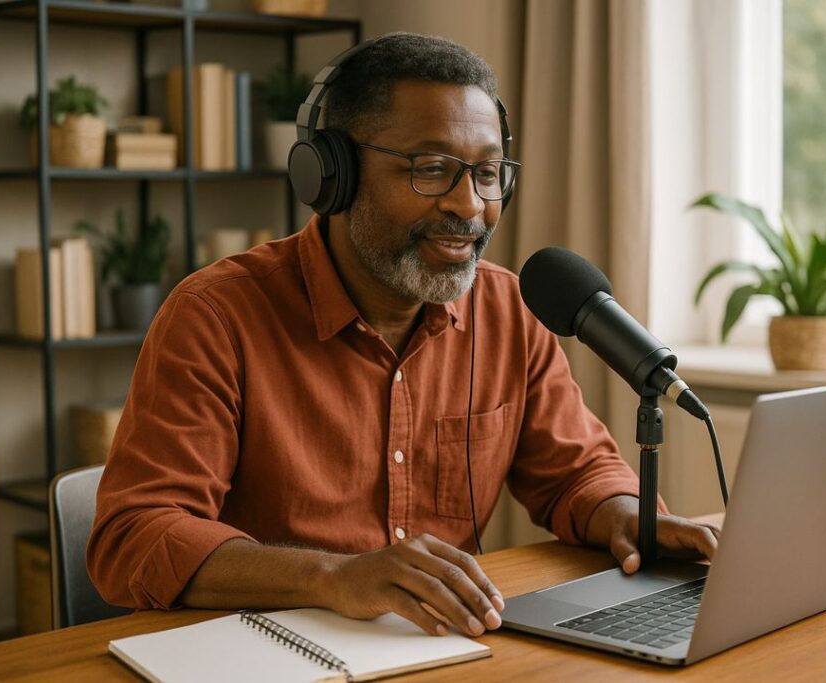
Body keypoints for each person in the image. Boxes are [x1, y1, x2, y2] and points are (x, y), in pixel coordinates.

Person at [87, 32, 720, 640]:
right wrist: (334, 577)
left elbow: (575, 473)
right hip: (264, 654)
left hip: (441, 649)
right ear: (331, 174)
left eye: (488, 172)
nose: (469, 205)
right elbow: (134, 537)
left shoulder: (508, 310)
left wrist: (623, 515)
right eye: (432, 169)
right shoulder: (215, 317)